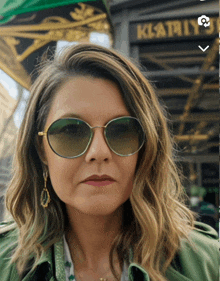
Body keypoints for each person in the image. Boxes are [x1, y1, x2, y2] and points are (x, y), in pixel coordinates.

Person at [0, 43, 218, 281]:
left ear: (146, 148)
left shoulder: (208, 265)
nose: (99, 152)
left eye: (122, 131)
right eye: (71, 131)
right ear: (41, 150)